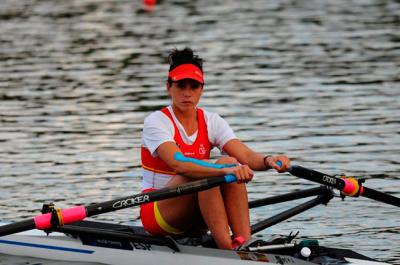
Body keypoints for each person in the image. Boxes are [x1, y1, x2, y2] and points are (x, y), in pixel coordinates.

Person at [140, 47, 291, 250]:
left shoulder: (212, 121)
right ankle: (228, 251)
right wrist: (223, 171)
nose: (187, 93)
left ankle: (243, 242)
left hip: (198, 212)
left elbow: (245, 155)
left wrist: (268, 161)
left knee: (230, 161)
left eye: (193, 86)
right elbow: (179, 164)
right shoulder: (157, 121)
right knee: (214, 170)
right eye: (180, 85)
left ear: (202, 89)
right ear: (168, 87)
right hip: (159, 212)